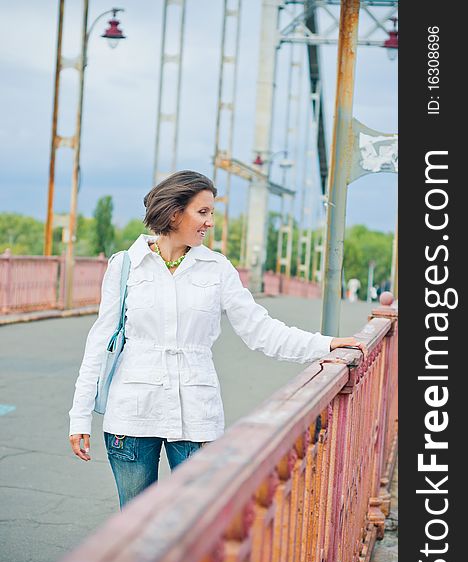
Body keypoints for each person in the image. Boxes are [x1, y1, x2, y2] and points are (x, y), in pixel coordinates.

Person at [69, 170, 367, 508]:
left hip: (196, 416)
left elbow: (261, 331)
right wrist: (79, 416)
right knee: (135, 525)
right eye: (203, 212)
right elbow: (100, 342)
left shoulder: (217, 269)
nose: (210, 222)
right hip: (132, 413)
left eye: (212, 212)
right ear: (173, 213)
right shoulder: (125, 266)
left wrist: (324, 345)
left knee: (195, 522)